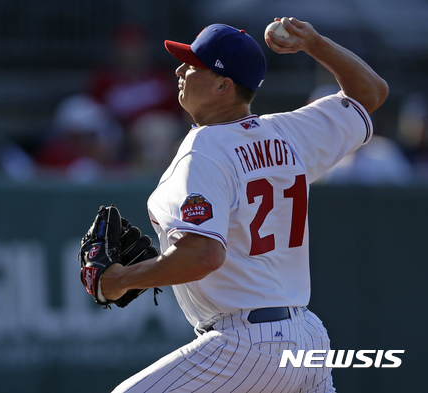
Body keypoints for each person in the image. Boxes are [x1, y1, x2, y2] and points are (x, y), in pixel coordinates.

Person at [100, 17, 388, 392]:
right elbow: (371, 94)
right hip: (306, 336)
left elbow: (203, 255)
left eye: (194, 65)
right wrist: (315, 43)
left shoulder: (203, 152)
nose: (180, 70)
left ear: (224, 85)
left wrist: (121, 280)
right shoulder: (289, 133)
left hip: (246, 345)